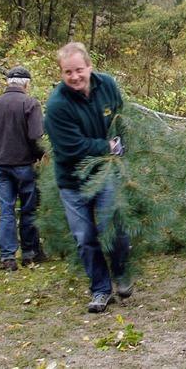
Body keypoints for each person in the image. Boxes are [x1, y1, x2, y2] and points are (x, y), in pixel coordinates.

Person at [44, 42, 131, 313]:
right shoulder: (57, 105)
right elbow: (72, 148)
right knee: (85, 237)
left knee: (112, 228)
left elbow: (121, 120)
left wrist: (122, 144)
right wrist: (107, 146)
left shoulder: (107, 86)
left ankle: (121, 274)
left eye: (79, 70)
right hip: (73, 181)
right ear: (61, 73)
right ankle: (100, 289)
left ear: (89, 67)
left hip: (105, 174)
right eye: (68, 72)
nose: (74, 77)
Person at [0, 66, 47, 271]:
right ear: (27, 83)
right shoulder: (30, 104)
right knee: (29, 210)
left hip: (1, 164)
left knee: (6, 210)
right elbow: (35, 137)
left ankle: (7, 256)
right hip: (24, 164)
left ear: (8, 82)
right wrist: (41, 156)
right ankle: (30, 253)